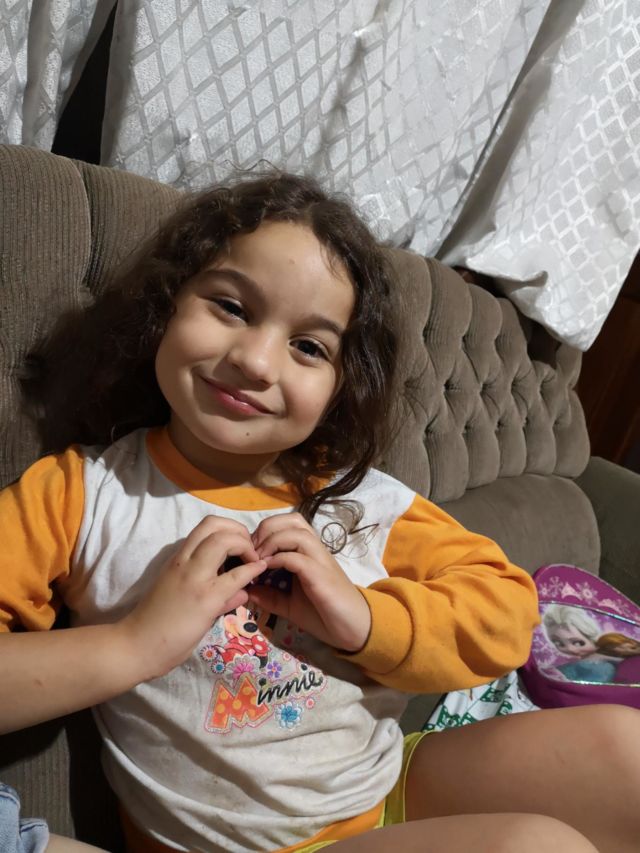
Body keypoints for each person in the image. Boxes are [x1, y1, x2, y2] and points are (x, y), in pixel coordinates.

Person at [1, 172, 639, 853]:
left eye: (309, 347)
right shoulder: (81, 493)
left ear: (340, 387)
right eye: (231, 307)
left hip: (388, 787)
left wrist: (363, 618)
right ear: (167, 306)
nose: (255, 361)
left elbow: (509, 614)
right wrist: (136, 644)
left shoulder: (360, 497)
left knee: (624, 747)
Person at [542, 605, 618, 684]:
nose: (570, 649)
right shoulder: (569, 665)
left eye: (578, 643)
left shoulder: (602, 668)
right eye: (559, 643)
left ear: (592, 638)